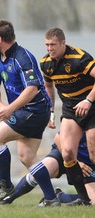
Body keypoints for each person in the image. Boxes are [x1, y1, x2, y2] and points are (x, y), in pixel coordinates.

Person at [0, 19, 59, 207]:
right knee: (27, 157)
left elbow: (32, 89)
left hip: (34, 110)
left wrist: (9, 109)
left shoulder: (22, 56)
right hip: (24, 111)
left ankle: (5, 185)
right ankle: (51, 198)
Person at [40, 27, 95, 206]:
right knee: (68, 153)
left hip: (92, 107)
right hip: (71, 110)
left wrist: (88, 100)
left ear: (63, 43)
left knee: (94, 152)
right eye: (47, 45)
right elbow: (48, 86)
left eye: (53, 44)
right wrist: (51, 111)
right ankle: (84, 200)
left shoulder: (80, 58)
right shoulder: (46, 64)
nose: (49, 49)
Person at [1, 132, 95, 206]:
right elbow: (58, 138)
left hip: (88, 163)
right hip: (65, 153)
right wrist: (75, 162)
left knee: (92, 201)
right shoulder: (83, 114)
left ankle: (61, 197)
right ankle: (8, 198)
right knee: (44, 169)